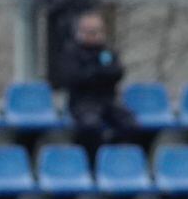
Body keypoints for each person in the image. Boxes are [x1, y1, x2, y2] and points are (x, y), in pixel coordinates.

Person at [58, 11, 136, 145]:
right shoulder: (72, 52)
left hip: (107, 101)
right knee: (90, 126)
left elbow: (117, 72)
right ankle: (92, 161)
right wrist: (99, 74)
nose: (95, 35)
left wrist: (95, 74)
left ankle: (113, 152)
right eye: (91, 31)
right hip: (82, 103)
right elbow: (74, 78)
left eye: (98, 31)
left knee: (129, 124)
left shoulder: (107, 51)